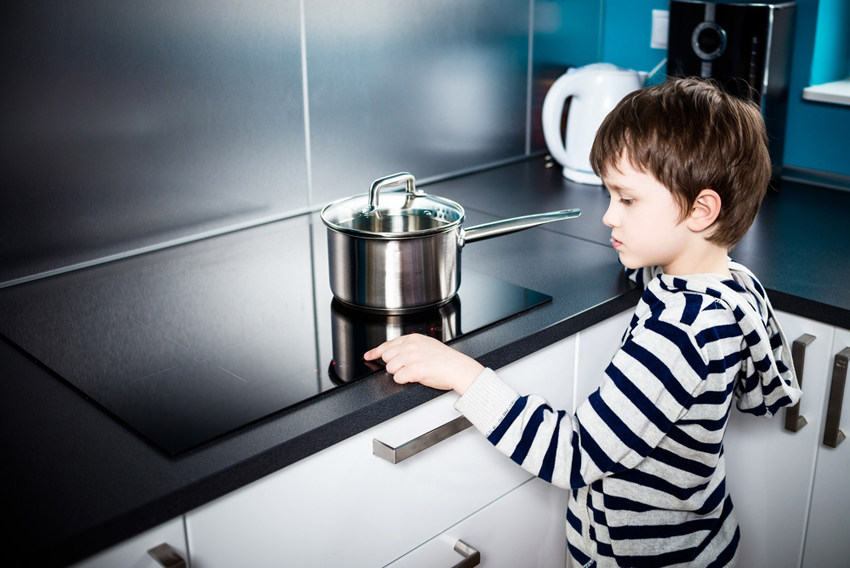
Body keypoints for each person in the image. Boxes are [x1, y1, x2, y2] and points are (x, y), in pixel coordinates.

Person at [363, 77, 802, 568]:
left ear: (701, 210)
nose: (608, 217)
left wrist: (462, 374)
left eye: (627, 200)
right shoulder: (729, 284)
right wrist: (643, 249)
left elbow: (572, 455)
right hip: (700, 539)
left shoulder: (678, 336)